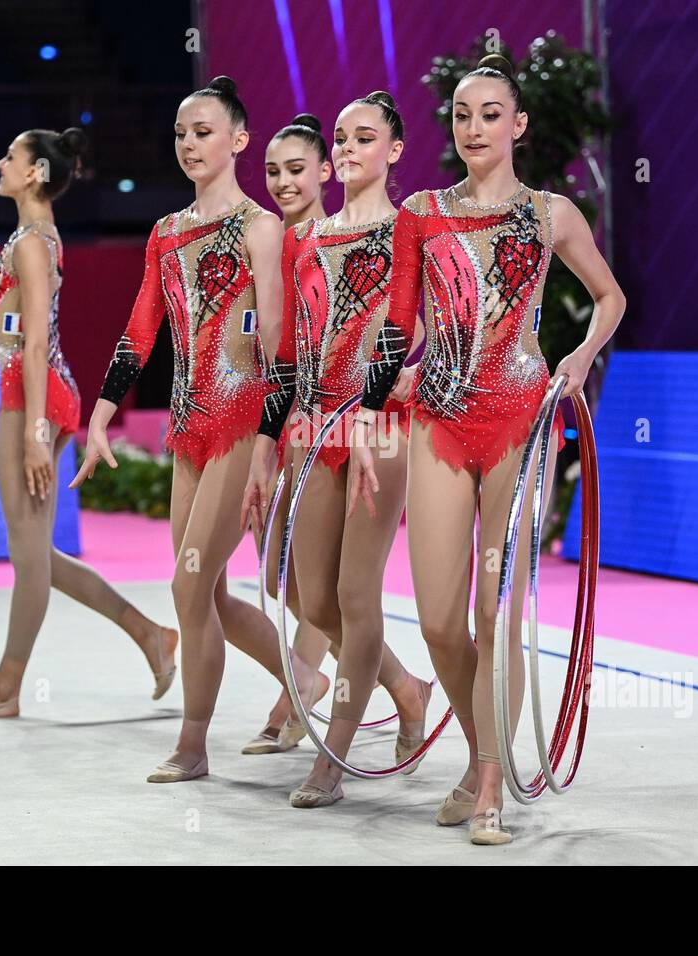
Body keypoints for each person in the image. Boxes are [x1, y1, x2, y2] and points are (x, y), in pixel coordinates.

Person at [349, 55, 626, 844]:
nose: (474, 128)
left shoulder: (550, 214)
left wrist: (577, 359)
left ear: (519, 125)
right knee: (439, 619)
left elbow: (611, 298)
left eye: (490, 114)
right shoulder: (423, 214)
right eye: (463, 116)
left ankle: (493, 789)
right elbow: (400, 328)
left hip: (520, 424)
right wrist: (372, 411)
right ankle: (480, 754)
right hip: (438, 420)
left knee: (492, 611)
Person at [73, 77, 330, 784]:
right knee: (206, 591)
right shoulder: (166, 232)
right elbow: (139, 329)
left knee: (190, 590)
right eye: (182, 133)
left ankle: (193, 744)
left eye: (205, 131)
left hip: (245, 422)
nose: (189, 143)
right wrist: (100, 414)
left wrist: (269, 446)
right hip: (189, 428)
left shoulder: (260, 227)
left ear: (240, 140)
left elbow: (281, 347)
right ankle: (303, 678)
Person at [0, 127, 178, 720]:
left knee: (27, 556)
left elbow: (39, 338)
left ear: (35, 173)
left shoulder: (32, 242)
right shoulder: (34, 235)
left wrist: (35, 434)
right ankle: (151, 634)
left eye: (10, 156)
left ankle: (5, 689)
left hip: (32, 399)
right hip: (32, 393)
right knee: (36, 551)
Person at [244, 92, 433, 808]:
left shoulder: (407, 229)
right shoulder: (307, 241)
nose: (350, 147)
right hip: (311, 429)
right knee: (300, 591)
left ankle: (335, 756)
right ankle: (407, 689)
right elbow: (290, 355)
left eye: (366, 138)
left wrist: (372, 414)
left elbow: (404, 334)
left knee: (355, 595)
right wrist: (266, 449)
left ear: (394, 150)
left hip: (376, 429)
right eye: (342, 138)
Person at [241, 112, 335, 755]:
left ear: (326, 170)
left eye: (296, 169)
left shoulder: (339, 238)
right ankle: (400, 684)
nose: (282, 182)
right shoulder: (270, 241)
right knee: (288, 584)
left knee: (325, 586)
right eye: (272, 172)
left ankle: (296, 698)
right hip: (276, 417)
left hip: (331, 424)